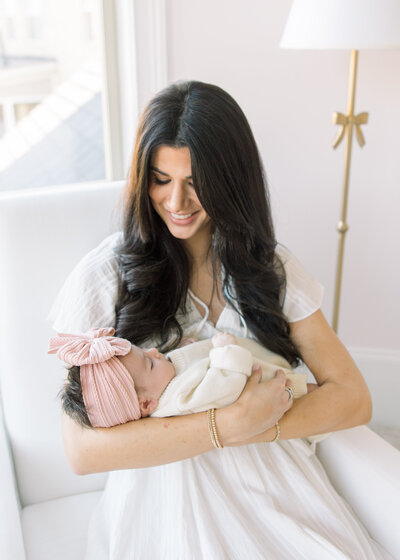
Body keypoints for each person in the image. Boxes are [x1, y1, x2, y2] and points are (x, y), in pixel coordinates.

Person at [49, 81, 391, 559]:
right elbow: (81, 451)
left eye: (196, 182)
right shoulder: (104, 275)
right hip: (167, 489)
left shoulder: (269, 270)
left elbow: (353, 398)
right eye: (161, 179)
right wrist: (225, 425)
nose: (177, 202)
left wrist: (261, 425)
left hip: (275, 480)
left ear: (231, 178)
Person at [48, 327, 308, 426]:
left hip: (272, 375)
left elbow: (185, 368)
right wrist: (224, 351)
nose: (154, 351)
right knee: (310, 389)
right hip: (281, 387)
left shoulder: (162, 385)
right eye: (149, 362)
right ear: (147, 404)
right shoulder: (180, 400)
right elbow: (226, 386)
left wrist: (188, 348)